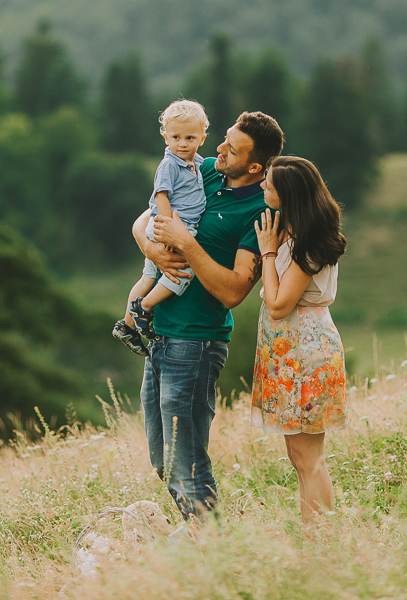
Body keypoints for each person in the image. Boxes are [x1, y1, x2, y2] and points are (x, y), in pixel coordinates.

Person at [133, 111, 284, 522]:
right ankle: (201, 535)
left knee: (185, 460)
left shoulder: (262, 211)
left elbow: (235, 290)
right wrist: (154, 251)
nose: (216, 148)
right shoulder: (202, 169)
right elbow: (144, 218)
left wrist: (184, 241)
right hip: (161, 333)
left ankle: (208, 542)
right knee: (162, 456)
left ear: (255, 166)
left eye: (230, 148)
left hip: (196, 341)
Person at [252, 155, 348, 536]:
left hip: (303, 353)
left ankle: (321, 538)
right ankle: (316, 533)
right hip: (293, 352)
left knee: (308, 459)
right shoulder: (298, 234)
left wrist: (268, 251)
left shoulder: (305, 244)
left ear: (287, 196)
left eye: (269, 185)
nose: (262, 186)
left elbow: (278, 305)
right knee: (300, 456)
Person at [113, 100, 209, 357]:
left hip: (170, 228)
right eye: (176, 137)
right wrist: (169, 229)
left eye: (190, 137)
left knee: (148, 276)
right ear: (165, 136)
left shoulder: (197, 164)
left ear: (202, 138)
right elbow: (161, 197)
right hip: (172, 227)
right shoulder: (169, 165)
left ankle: (127, 326)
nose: (182, 143)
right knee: (182, 273)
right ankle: (144, 308)